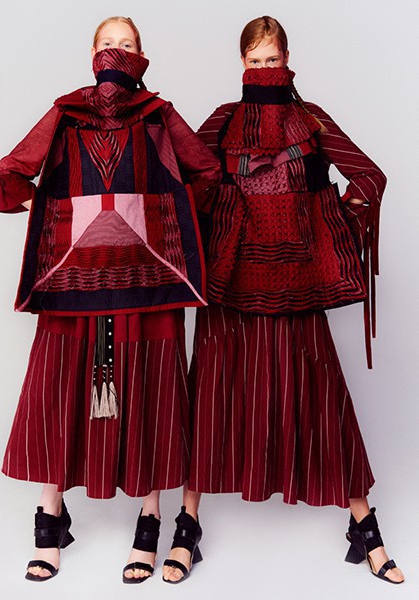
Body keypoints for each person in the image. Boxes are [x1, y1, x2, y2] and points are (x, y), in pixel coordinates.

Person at [0, 16, 220, 583]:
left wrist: (169, 222)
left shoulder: (159, 116)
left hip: (148, 280)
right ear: (91, 53)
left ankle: (150, 519)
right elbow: (15, 169)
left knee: (149, 391)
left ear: (142, 56)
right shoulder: (66, 114)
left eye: (127, 45)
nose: (115, 54)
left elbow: (206, 172)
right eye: (107, 45)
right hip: (77, 279)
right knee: (61, 386)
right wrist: (43, 209)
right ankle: (50, 517)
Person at [182, 16, 404, 585]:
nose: (264, 70)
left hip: (297, 282)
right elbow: (180, 179)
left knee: (320, 396)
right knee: (210, 394)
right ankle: (187, 528)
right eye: (254, 61)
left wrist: (330, 224)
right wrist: (219, 221)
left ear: (287, 59)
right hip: (231, 282)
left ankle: (365, 528)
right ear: (242, 64)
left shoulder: (312, 120)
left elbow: (368, 177)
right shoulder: (223, 121)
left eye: (272, 59)